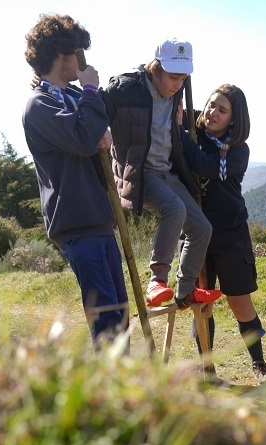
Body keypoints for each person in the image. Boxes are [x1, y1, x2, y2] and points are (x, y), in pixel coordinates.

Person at [22, 14, 128, 346]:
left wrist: (102, 132)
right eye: (77, 53)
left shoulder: (67, 97)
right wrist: (91, 90)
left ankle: (121, 378)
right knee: (108, 320)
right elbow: (82, 139)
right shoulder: (39, 105)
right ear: (62, 54)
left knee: (120, 315)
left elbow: (90, 133)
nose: (81, 61)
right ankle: (110, 381)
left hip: (98, 217)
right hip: (78, 221)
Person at [101, 39, 222, 311]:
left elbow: (181, 120)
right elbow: (95, 108)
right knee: (174, 210)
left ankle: (186, 290)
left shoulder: (177, 92)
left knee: (202, 228)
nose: (178, 84)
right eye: (173, 77)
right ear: (155, 68)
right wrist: (101, 129)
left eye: (183, 78)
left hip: (167, 171)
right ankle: (157, 281)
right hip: (139, 172)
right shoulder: (125, 88)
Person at [178, 84, 266, 385]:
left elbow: (205, 166)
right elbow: (170, 104)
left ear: (234, 119)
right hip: (195, 232)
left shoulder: (237, 150)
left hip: (229, 233)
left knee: (240, 302)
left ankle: (259, 364)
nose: (212, 112)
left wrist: (181, 134)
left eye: (222, 110)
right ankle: (205, 367)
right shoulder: (193, 127)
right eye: (211, 104)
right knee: (201, 304)